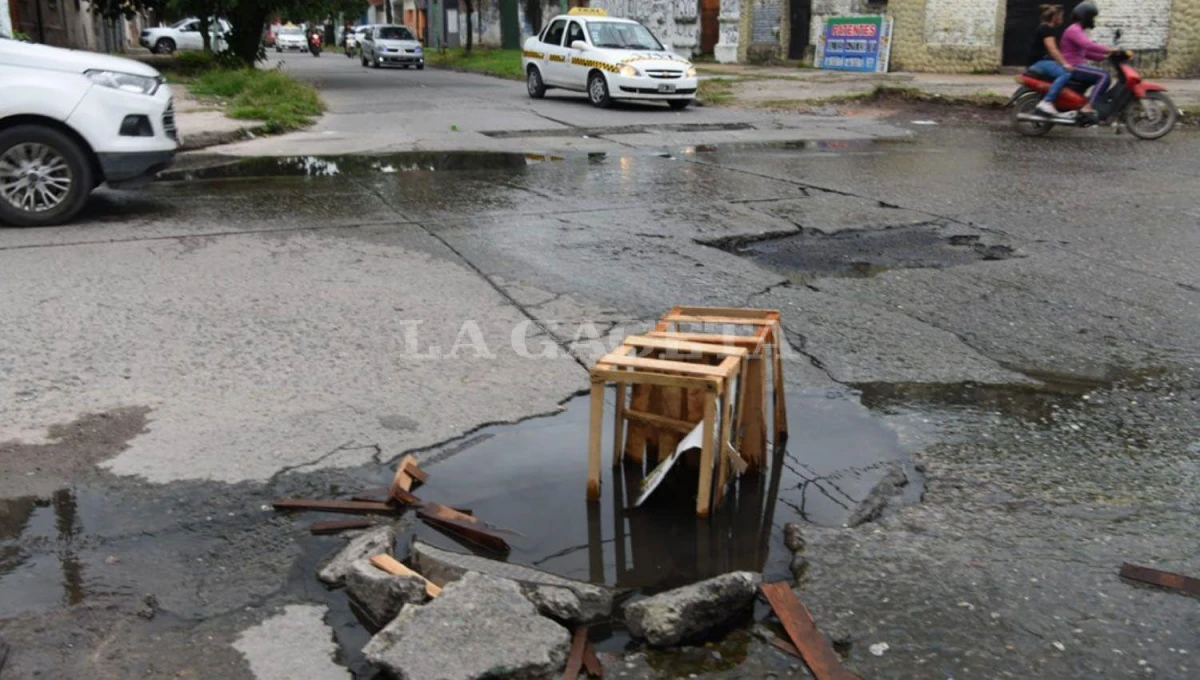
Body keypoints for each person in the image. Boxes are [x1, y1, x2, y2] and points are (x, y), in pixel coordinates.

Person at [1059, 1, 1118, 117]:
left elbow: (1085, 53)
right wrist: (1109, 49)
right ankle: (1089, 106)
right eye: (1092, 17)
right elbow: (1088, 45)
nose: (1093, 20)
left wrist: (1105, 57)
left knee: (1101, 75)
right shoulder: (1074, 30)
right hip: (1073, 67)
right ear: (1085, 17)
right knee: (1104, 76)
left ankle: (1089, 103)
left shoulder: (1078, 30)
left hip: (1076, 65)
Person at [1027, 5, 1074, 117]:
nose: (1062, 19)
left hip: (1040, 61)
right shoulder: (1047, 29)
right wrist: (1065, 64)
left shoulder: (1045, 28)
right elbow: (1052, 50)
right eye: (1061, 16)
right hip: (1039, 63)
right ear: (1055, 17)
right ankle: (1047, 101)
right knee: (1066, 73)